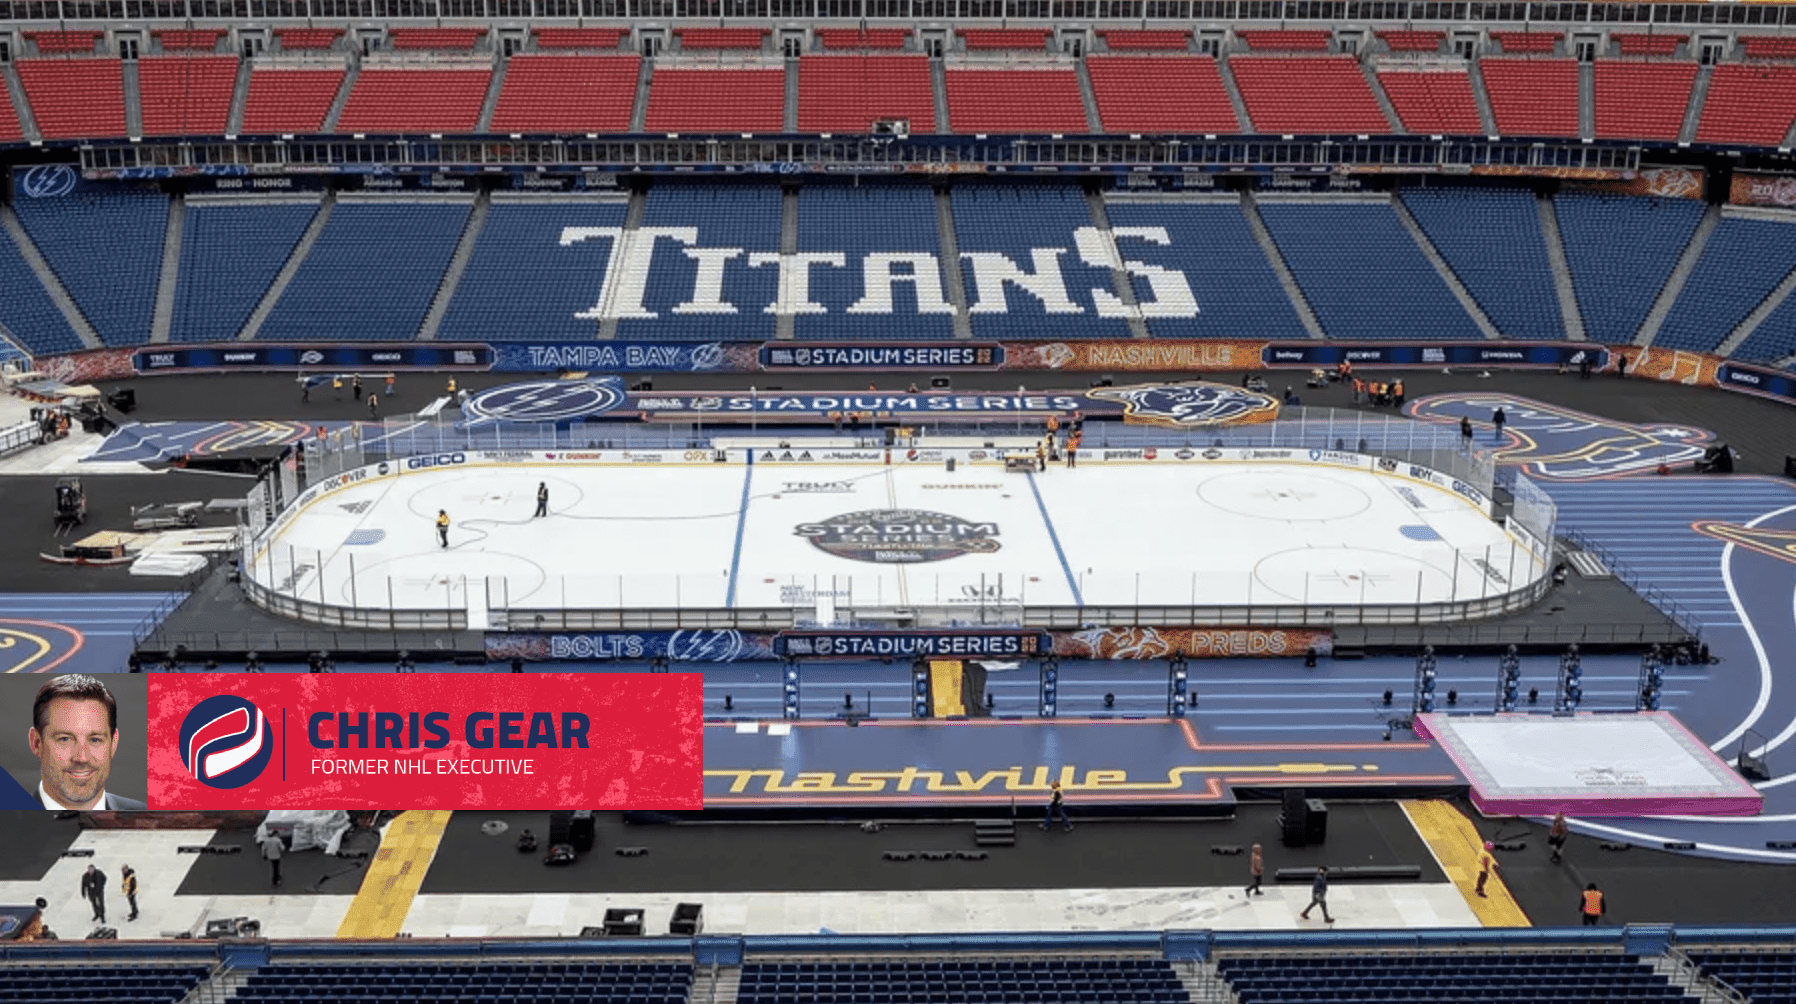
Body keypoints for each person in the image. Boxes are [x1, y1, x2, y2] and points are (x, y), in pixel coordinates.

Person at [29, 675, 145, 810]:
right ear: (36, 743)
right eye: (65, 739)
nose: (82, 758)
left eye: (95, 740)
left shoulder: (147, 819)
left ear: (113, 744)